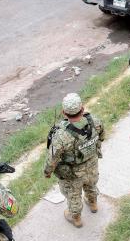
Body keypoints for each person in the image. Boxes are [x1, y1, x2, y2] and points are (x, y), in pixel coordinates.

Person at [44, 93, 105, 228]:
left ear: (64, 113)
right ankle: (93, 204)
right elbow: (101, 137)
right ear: (82, 109)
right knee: (91, 185)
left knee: (73, 195)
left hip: (73, 174)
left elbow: (52, 158)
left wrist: (47, 172)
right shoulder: (95, 121)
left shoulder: (60, 136)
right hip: (92, 165)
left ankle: (76, 218)